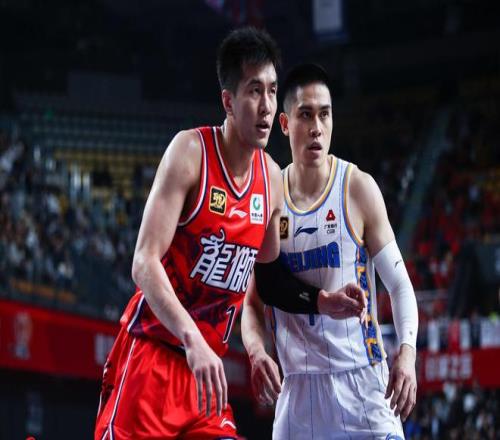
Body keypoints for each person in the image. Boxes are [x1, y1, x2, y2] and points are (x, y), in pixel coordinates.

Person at [94, 26, 285, 440]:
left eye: (272, 90)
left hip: (206, 380)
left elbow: (267, 287)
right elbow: (143, 262)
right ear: (228, 101)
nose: (267, 106)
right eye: (254, 91)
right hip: (153, 358)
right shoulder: (190, 153)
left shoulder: (272, 180)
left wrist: (257, 351)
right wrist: (192, 338)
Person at [241, 64, 419, 439]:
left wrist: (407, 352)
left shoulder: (357, 188)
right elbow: (253, 303)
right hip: (298, 392)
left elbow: (399, 285)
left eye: (325, 114)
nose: (317, 127)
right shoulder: (269, 197)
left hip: (362, 385)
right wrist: (256, 352)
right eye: (306, 115)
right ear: (285, 124)